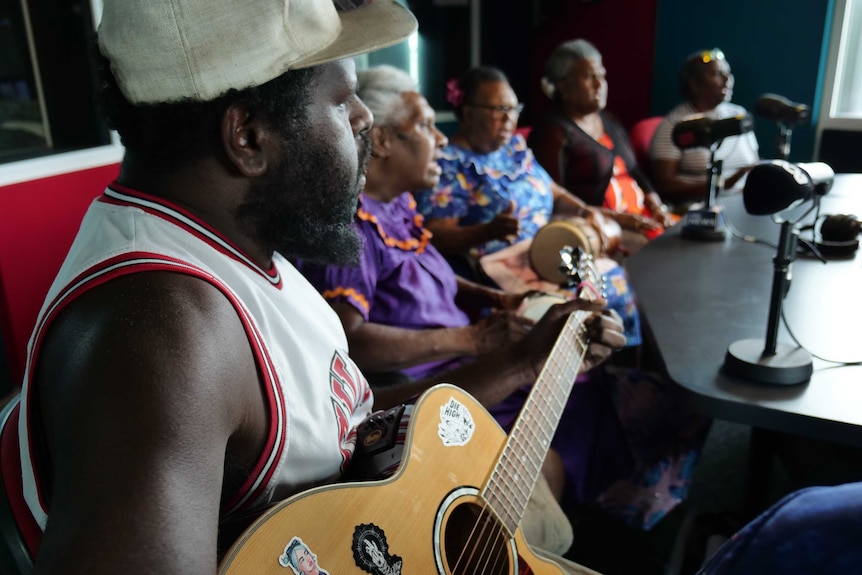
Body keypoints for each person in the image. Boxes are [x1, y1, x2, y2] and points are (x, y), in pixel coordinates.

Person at [0, 2, 625, 574]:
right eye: (343, 99)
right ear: (248, 137)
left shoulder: (237, 240)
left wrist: (523, 359)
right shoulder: (163, 337)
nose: (363, 120)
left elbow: (341, 424)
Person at [301, 65, 711, 536]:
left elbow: (439, 278)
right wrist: (471, 338)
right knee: (573, 389)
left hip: (469, 347)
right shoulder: (354, 232)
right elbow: (347, 343)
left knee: (583, 379)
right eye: (425, 125)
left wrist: (497, 301)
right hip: (441, 385)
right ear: (385, 141)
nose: (439, 137)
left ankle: (605, 496)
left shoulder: (395, 205)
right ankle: (610, 506)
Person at [413, 65, 642, 347]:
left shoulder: (514, 149)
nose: (509, 118)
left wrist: (584, 210)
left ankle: (616, 364)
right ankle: (587, 370)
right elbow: (434, 235)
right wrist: (487, 231)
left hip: (548, 250)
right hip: (501, 269)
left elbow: (553, 192)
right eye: (498, 109)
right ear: (469, 111)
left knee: (613, 278)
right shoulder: (449, 165)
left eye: (513, 108)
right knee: (587, 298)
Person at [529, 39, 676, 252]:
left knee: (686, 235)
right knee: (659, 251)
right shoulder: (552, 132)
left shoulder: (610, 121)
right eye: (590, 77)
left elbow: (634, 171)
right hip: (601, 224)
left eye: (602, 76)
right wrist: (623, 219)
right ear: (563, 85)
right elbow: (555, 201)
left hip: (641, 216)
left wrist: (656, 205)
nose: (600, 85)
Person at [649, 48, 760, 213]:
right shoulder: (674, 125)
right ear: (694, 83)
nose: (727, 79)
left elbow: (754, 161)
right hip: (704, 207)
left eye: (728, 73)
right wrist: (719, 184)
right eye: (717, 73)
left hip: (748, 202)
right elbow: (665, 183)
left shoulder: (739, 115)